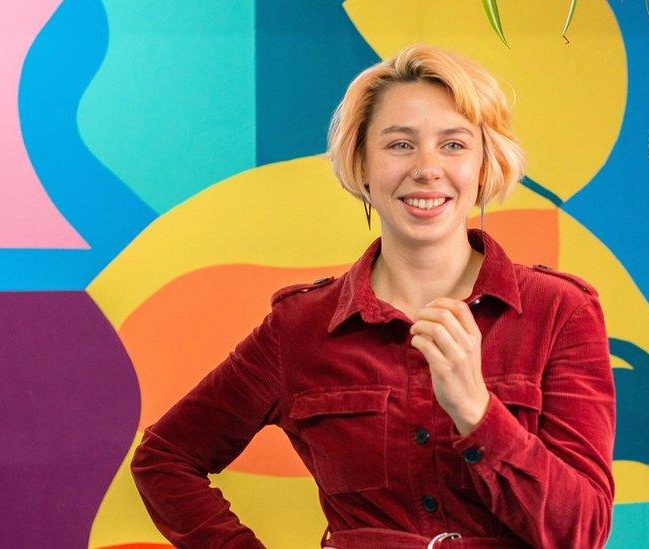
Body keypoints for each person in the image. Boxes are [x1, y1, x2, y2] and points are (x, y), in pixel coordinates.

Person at [131, 43, 615, 549]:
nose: (427, 169)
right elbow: (165, 459)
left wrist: (476, 412)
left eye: (453, 144)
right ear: (360, 164)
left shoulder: (560, 312)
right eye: (400, 145)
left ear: (484, 165)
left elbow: (581, 533)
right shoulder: (300, 327)